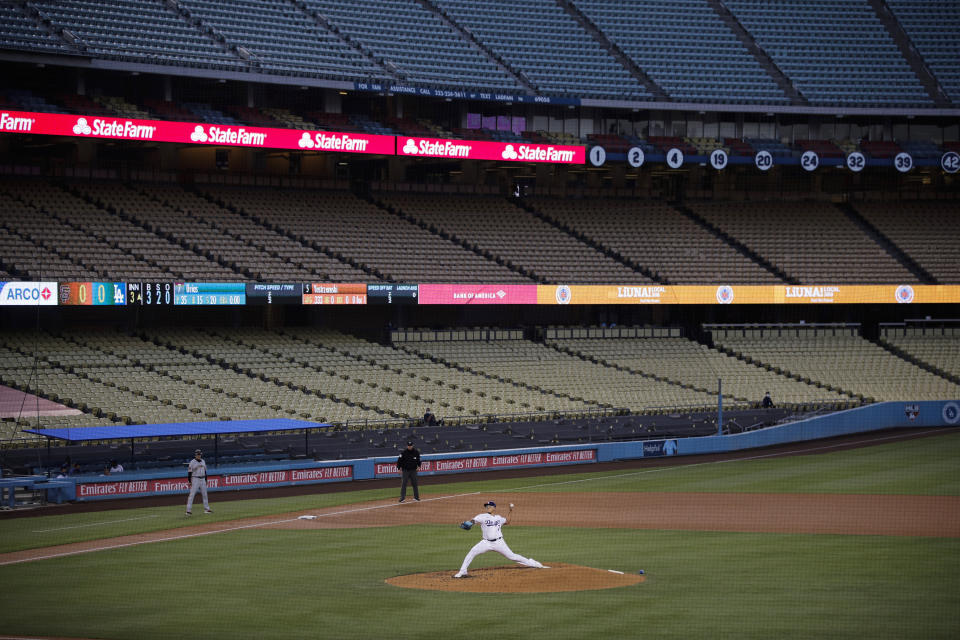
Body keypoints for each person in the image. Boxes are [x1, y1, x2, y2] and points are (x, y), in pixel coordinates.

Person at [453, 500, 547, 578]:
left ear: (494, 507)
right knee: (472, 552)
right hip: (486, 542)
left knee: (512, 556)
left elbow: (508, 521)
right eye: (487, 506)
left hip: (499, 542)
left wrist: (510, 510)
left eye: (490, 506)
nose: (488, 507)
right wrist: (467, 523)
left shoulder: (498, 518)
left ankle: (534, 564)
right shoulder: (482, 516)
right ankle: (462, 572)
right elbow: (473, 521)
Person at [186, 449, 212, 515]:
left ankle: (207, 509)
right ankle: (188, 510)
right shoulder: (192, 462)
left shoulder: (203, 461)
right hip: (195, 479)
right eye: (197, 454)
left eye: (199, 454)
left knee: (205, 495)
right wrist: (189, 481)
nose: (199, 455)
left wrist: (206, 480)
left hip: (203, 479)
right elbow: (189, 472)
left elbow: (205, 471)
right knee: (192, 494)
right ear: (195, 455)